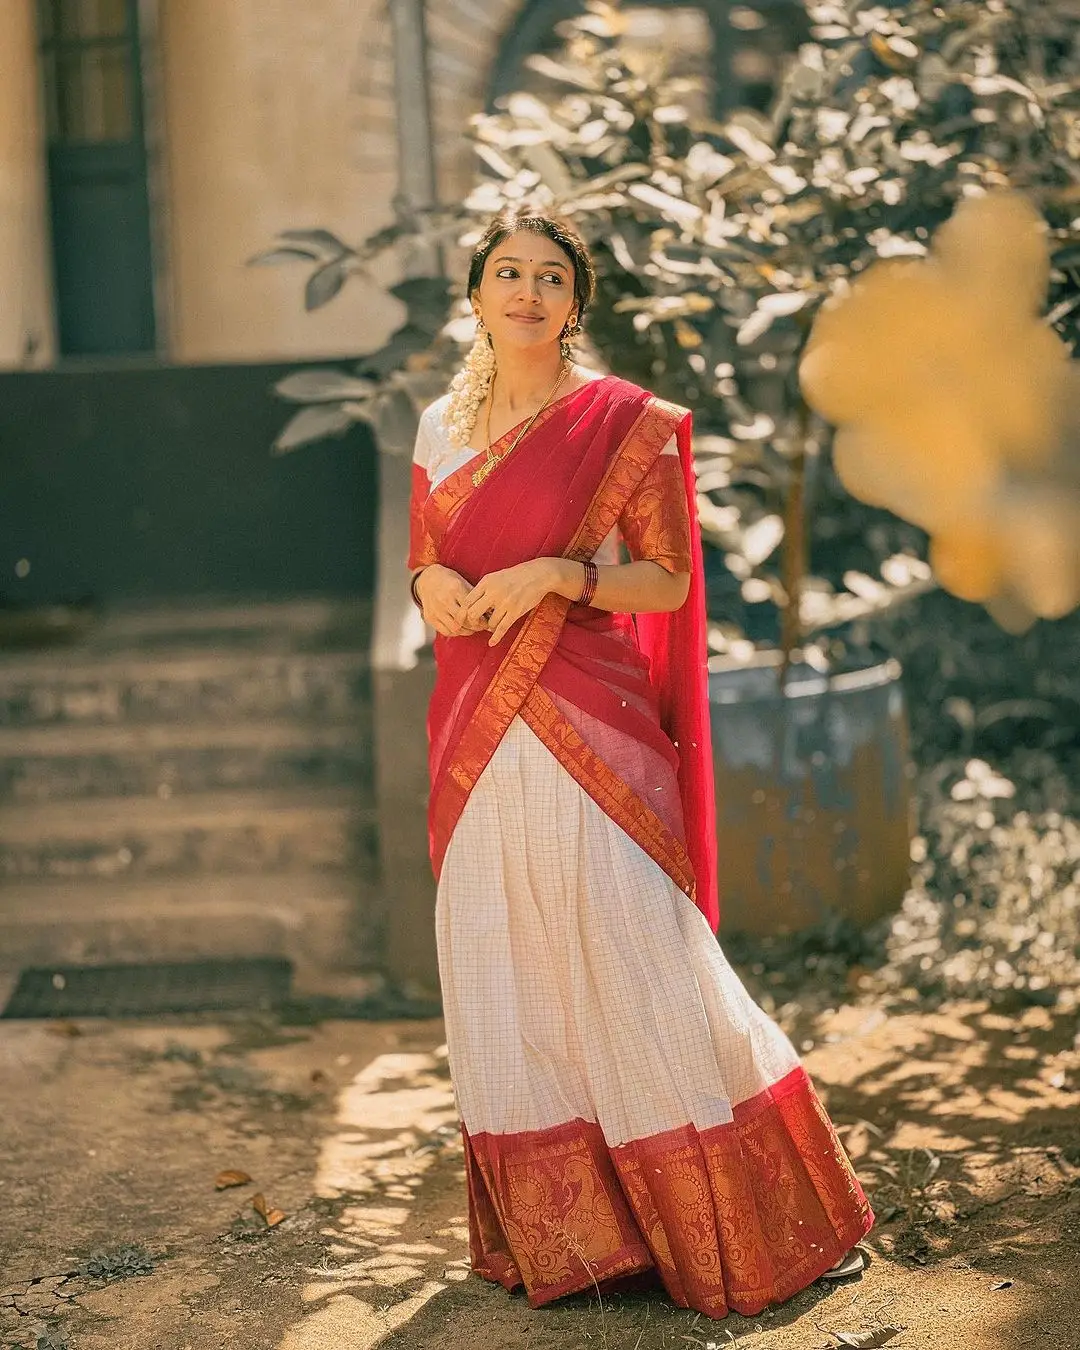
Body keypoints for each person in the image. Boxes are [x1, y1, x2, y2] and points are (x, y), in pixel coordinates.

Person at [407, 208, 872, 1320]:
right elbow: (424, 562)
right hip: (474, 732)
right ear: (475, 296)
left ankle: (749, 1223)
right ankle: (580, 1243)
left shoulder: (623, 426)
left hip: (588, 726)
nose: (526, 291)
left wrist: (561, 576)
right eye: (506, 273)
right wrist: (435, 590)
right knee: (503, 964)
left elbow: (664, 584)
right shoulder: (438, 426)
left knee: (640, 956)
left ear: (577, 303)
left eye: (550, 276)